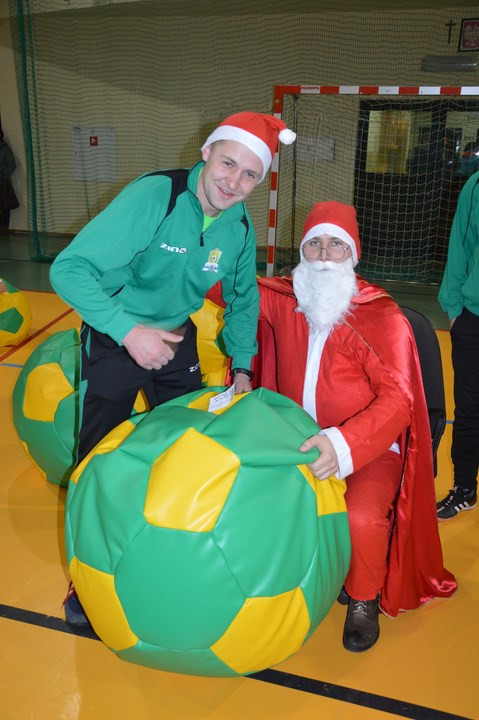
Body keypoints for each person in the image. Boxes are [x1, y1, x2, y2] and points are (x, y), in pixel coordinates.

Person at [50, 111, 296, 626]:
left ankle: (168, 556)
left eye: (250, 174)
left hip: (175, 341)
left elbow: (244, 298)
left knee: (186, 450)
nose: (234, 182)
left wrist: (244, 366)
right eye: (228, 164)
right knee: (96, 465)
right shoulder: (155, 197)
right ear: (206, 153)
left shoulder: (239, 224)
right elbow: (68, 269)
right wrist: (128, 332)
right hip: (116, 336)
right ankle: (85, 577)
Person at [250, 201, 456, 652]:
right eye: (314, 244)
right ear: (301, 251)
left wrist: (342, 443)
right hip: (295, 444)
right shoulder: (285, 299)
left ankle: (364, 597)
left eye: (336, 245)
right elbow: (222, 288)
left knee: (360, 516)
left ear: (353, 253)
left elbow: (399, 399)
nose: (324, 256)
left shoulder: (380, 317)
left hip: (368, 448)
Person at [437, 170, 479, 520]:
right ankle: (464, 488)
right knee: (469, 411)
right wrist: (454, 310)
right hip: (473, 319)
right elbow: (461, 246)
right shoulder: (476, 185)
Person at [0, 129, 19, 233]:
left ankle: (4, 226)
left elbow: (12, 165)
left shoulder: (5, 149)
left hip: (3, 183)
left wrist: (4, 175)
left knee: (5, 204)